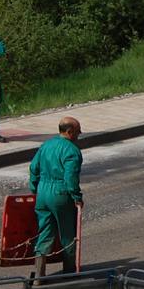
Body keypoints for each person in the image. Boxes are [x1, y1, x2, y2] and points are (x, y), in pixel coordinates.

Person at [28, 117, 83, 277]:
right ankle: (69, 272)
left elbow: (33, 168)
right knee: (68, 234)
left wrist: (34, 188)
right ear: (69, 131)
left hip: (42, 192)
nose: (80, 133)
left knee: (44, 232)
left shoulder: (46, 145)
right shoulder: (72, 151)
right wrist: (76, 196)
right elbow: (70, 178)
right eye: (78, 130)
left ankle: (39, 275)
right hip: (60, 194)